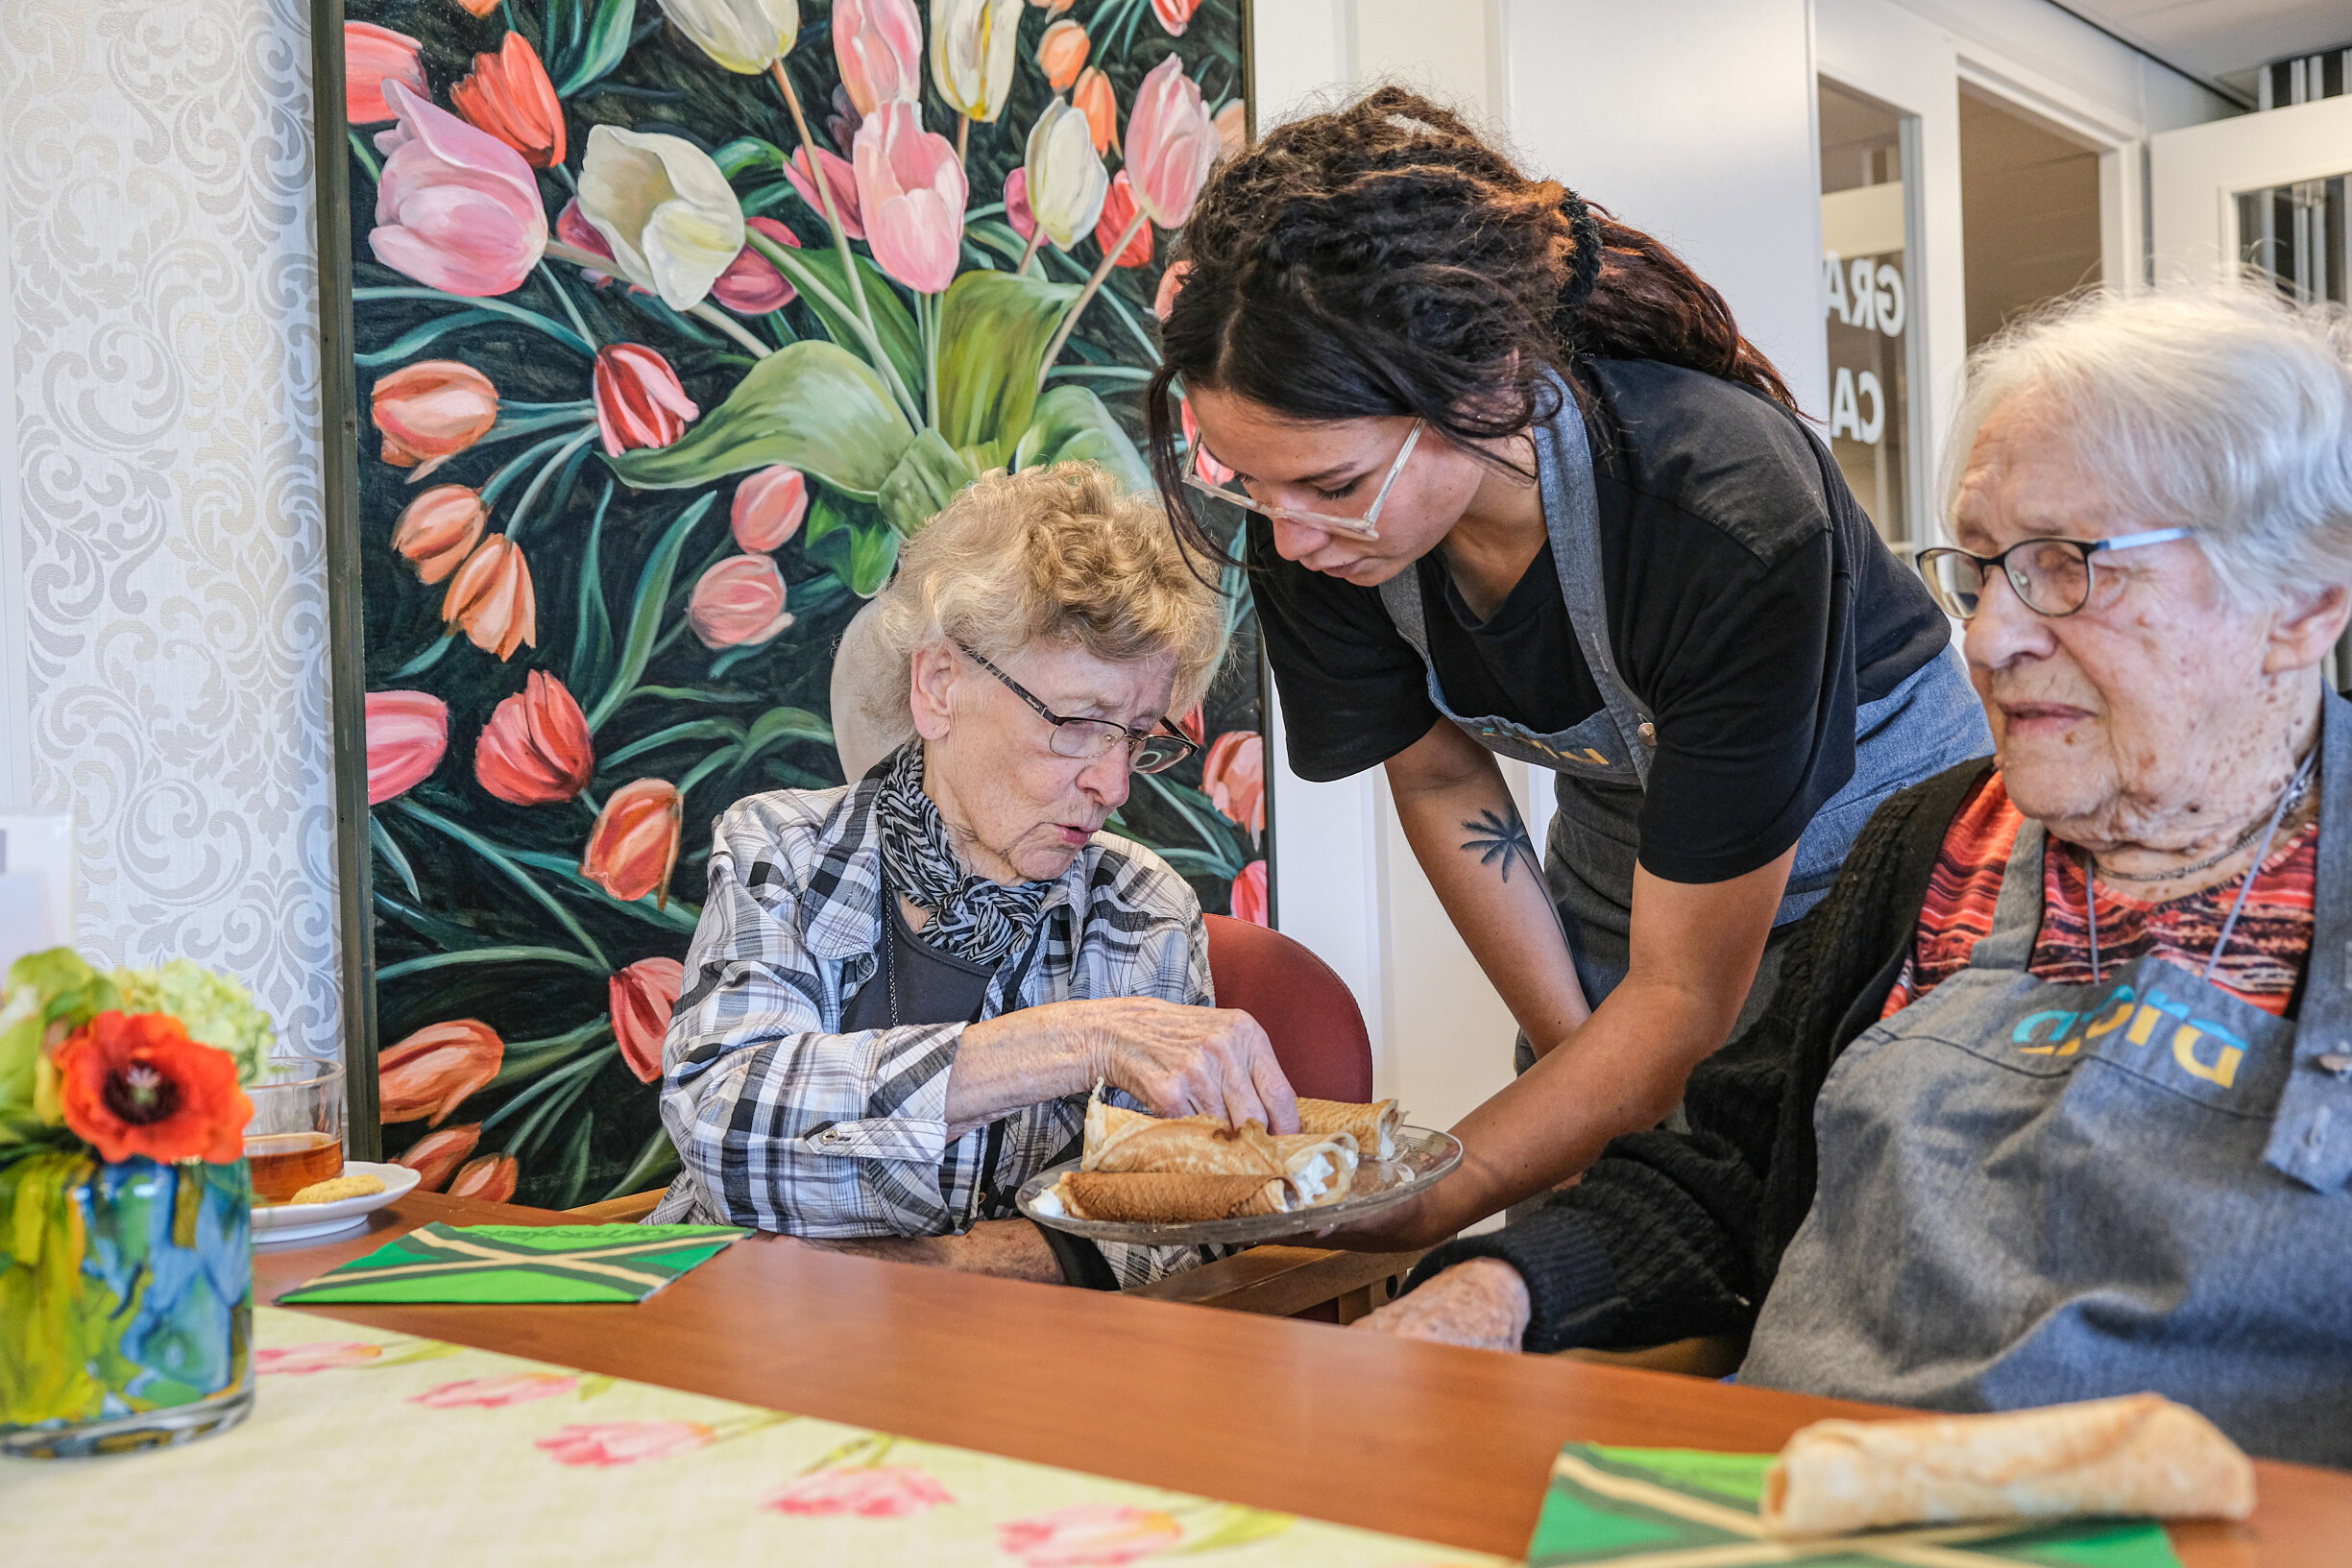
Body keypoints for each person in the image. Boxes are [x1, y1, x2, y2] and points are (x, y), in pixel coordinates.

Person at [1359, 288, 2352, 1467]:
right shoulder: (1927, 845)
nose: (1987, 638)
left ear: (2301, 604)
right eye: (1979, 569)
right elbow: (1719, 1180)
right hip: (1806, 1508)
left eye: (2066, 566)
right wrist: (1486, 1294)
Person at [1146, 89, 1991, 1242]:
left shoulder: (1724, 514)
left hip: (1875, 842)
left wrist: (1413, 1207)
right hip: (1632, 834)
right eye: (1249, 484)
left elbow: (1683, 1004)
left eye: (1331, 488)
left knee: (1819, 1219)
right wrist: (1575, 1054)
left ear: (1482, 386)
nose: (1286, 539)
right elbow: (1444, 783)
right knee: (1600, 1207)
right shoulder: (1312, 522)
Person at [648, 463, 1300, 1288]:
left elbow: (1174, 1219)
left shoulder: (1141, 911)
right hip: (734, 1331)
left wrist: (940, 1268)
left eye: (1137, 735)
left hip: (1000, 1368)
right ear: (939, 686)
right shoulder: (781, 848)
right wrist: (1076, 1040)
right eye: (1076, 723)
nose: (1115, 783)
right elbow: (723, 1129)